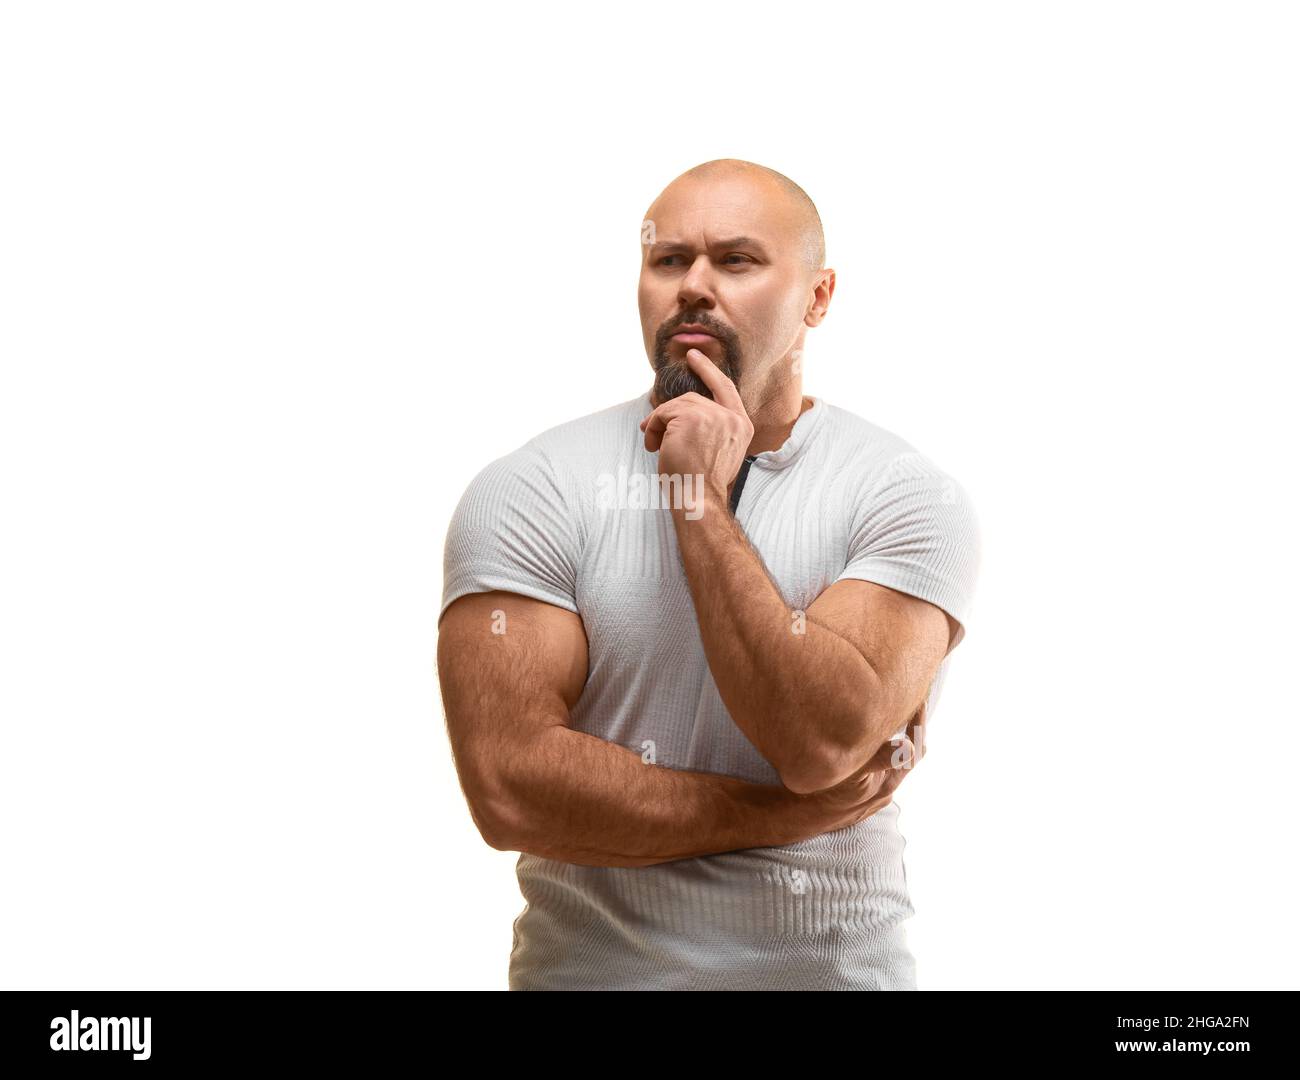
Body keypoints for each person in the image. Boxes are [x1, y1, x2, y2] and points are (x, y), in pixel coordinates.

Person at [436, 159, 981, 990]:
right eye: (667, 260)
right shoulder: (532, 488)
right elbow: (512, 793)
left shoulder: (902, 494)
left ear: (819, 296)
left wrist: (698, 503)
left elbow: (818, 740)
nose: (693, 286)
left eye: (736, 260)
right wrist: (789, 817)